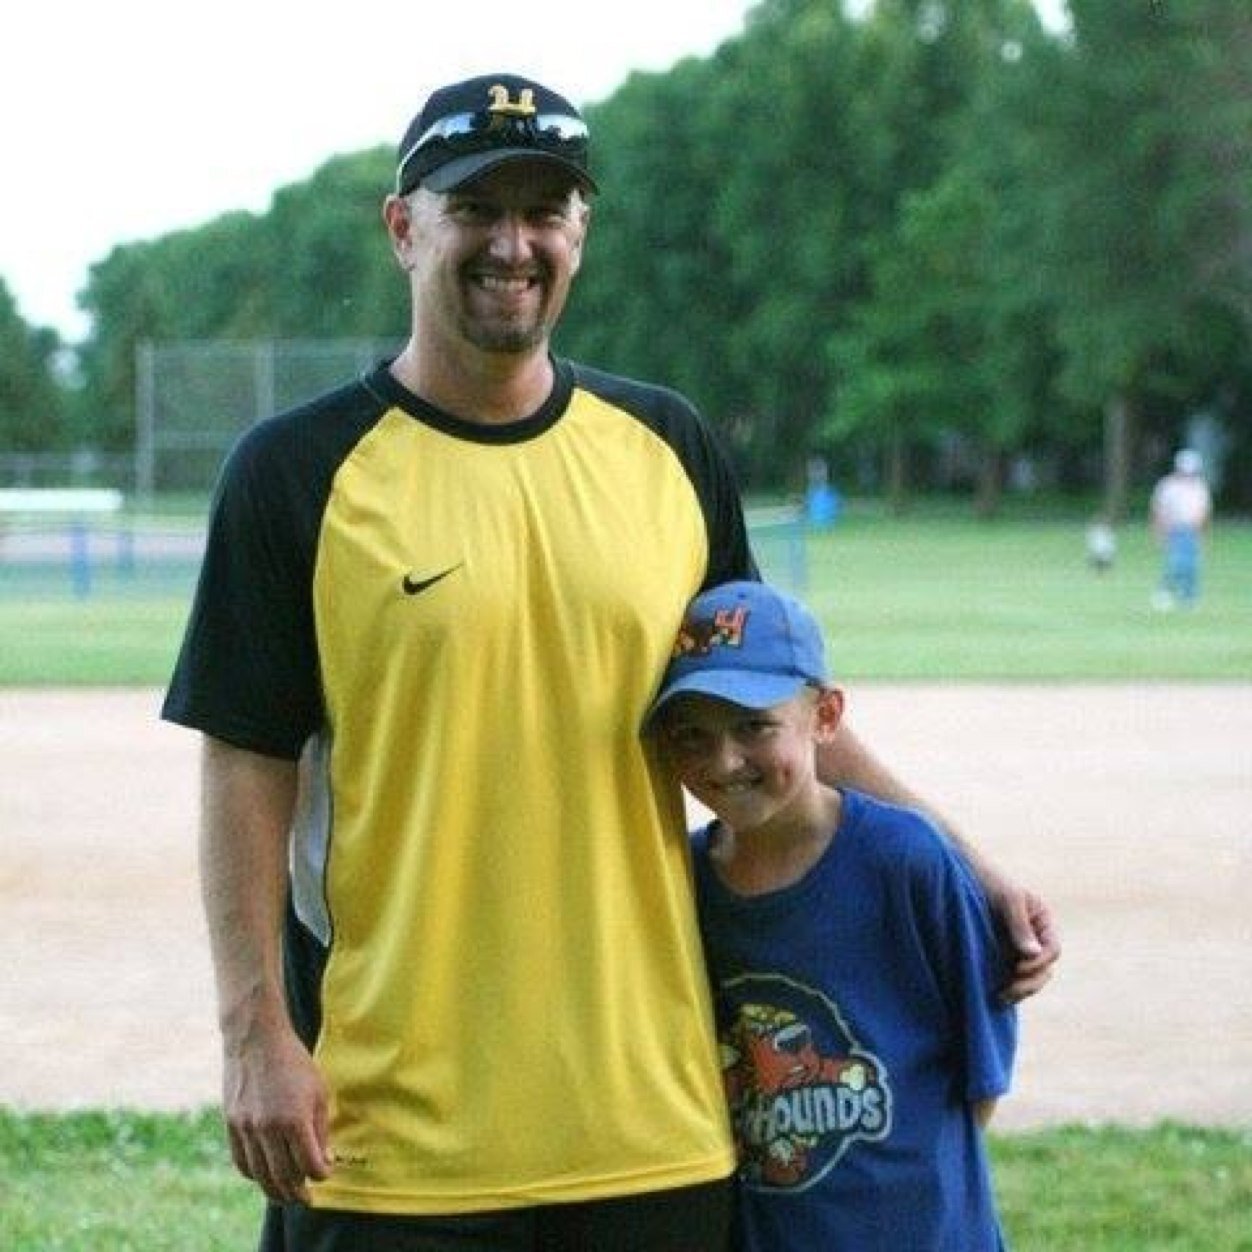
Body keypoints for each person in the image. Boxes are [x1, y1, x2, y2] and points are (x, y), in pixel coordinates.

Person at [161, 71, 1057, 1250]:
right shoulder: (296, 471)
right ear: (403, 227)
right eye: (474, 208)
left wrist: (966, 860)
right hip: (391, 1138)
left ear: (580, 234)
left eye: (546, 210)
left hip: (654, 1128)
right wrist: (252, 1034)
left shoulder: (666, 448)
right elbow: (245, 760)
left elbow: (774, 711)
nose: (511, 244)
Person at [645, 580, 1017, 1250]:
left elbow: (981, 1073)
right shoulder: (687, 881)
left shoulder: (906, 861)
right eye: (692, 736)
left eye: (754, 726)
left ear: (825, 715)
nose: (722, 761)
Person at [1150, 448, 1212, 609]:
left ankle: (1189, 597)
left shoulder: (1199, 487)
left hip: (1192, 530)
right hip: (1174, 529)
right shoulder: (1167, 485)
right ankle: (1164, 591)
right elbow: (1159, 510)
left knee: (1192, 565)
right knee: (1176, 563)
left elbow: (1204, 512)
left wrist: (1202, 534)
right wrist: (1159, 531)